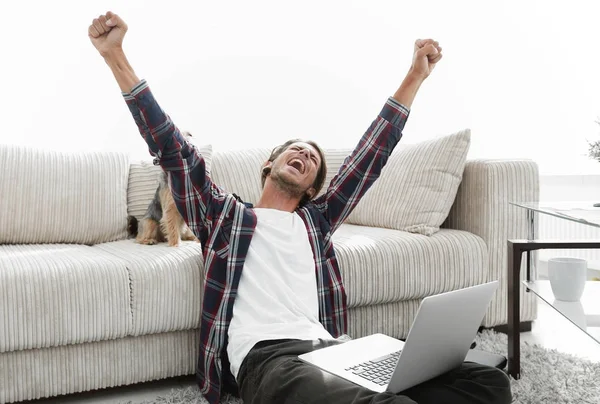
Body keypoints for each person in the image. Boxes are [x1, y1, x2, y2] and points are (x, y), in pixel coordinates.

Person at [88, 11, 512, 404]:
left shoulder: (315, 223)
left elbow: (371, 155)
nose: (306, 155)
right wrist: (116, 56)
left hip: (335, 352)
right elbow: (172, 149)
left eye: (313, 158)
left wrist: (415, 76)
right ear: (269, 164)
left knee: (489, 382)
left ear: (311, 190)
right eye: (297, 149)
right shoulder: (226, 218)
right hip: (271, 362)